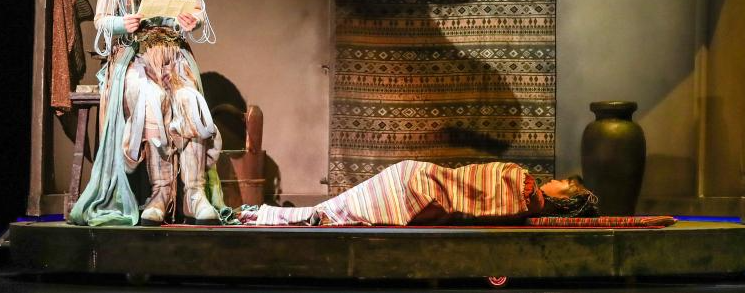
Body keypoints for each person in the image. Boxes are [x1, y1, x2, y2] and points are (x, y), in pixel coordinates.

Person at [69, 0, 224, 227]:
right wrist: (123, 23)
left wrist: (191, 20)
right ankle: (160, 192)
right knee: (151, 97)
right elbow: (101, 20)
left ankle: (195, 194)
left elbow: (198, 14)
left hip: (174, 55)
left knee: (188, 100)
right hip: (133, 56)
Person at [238, 160, 597, 226]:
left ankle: (261, 215)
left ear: (567, 195)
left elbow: (481, 190)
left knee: (336, 211)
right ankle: (262, 215)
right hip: (420, 185)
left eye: (561, 183)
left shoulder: (525, 185)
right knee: (337, 212)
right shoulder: (525, 194)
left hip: (417, 186)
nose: (553, 181)